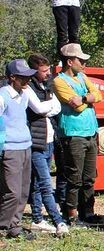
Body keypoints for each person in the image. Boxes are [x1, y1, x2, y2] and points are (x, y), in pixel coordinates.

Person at [0, 59, 58, 239]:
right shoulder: (3, 96)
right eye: (23, 77)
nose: (27, 81)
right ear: (12, 77)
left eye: (28, 77)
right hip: (10, 149)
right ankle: (3, 227)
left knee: (24, 190)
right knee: (12, 191)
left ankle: (14, 225)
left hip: (26, 145)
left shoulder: (24, 94)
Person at [52, 43, 103, 226]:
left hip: (90, 132)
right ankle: (71, 214)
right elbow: (77, 106)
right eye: (80, 60)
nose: (84, 64)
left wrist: (83, 98)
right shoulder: (59, 81)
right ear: (69, 61)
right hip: (73, 134)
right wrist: (87, 99)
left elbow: (98, 95)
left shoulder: (82, 77)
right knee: (74, 177)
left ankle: (88, 212)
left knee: (89, 177)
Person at [26, 54, 69, 236]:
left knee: (36, 183)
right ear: (34, 71)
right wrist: (49, 106)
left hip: (49, 141)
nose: (48, 73)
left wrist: (48, 106)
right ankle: (58, 221)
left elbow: (56, 108)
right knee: (45, 183)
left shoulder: (47, 86)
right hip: (36, 143)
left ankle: (37, 218)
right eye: (44, 71)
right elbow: (39, 109)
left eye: (48, 69)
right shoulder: (28, 87)